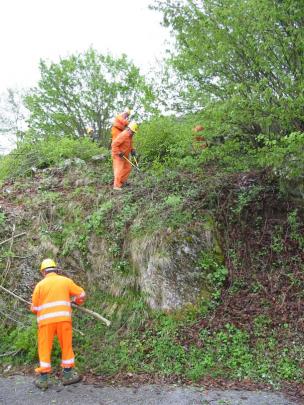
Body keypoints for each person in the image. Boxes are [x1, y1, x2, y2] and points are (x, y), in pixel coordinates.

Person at [31, 258, 86, 389]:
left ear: (43, 272)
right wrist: (76, 302)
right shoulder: (65, 281)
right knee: (66, 346)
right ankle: (67, 376)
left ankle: (43, 380)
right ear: (55, 269)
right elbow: (82, 294)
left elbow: (34, 308)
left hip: (46, 323)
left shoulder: (40, 285)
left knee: (44, 348)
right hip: (63, 320)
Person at [111, 121, 138, 190]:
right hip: (118, 155)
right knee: (119, 170)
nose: (133, 133)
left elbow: (130, 144)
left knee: (128, 168)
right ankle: (116, 186)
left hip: (124, 155)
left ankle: (122, 182)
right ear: (128, 129)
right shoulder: (123, 135)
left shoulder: (130, 136)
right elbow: (114, 145)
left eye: (134, 132)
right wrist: (118, 152)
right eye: (132, 132)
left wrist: (132, 150)